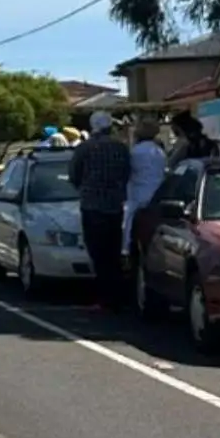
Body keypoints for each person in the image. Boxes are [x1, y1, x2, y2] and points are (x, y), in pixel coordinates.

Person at [70, 113, 133, 308]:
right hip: (115, 205)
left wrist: (84, 187)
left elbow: (74, 174)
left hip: (92, 205)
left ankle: (105, 297)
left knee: (98, 253)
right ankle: (118, 295)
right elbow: (127, 172)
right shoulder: (121, 148)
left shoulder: (85, 148)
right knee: (113, 252)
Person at [123, 117, 167, 243]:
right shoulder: (159, 152)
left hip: (138, 196)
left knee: (131, 231)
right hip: (156, 195)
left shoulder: (136, 152)